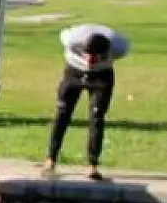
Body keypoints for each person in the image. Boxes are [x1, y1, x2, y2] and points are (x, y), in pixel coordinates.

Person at [45, 23, 131, 181]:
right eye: (87, 56)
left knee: (97, 117)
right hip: (74, 72)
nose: (90, 61)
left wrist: (100, 65)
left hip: (101, 76)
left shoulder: (119, 47)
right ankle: (50, 158)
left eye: (94, 58)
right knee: (62, 113)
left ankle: (93, 164)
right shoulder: (71, 39)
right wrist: (81, 62)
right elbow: (63, 33)